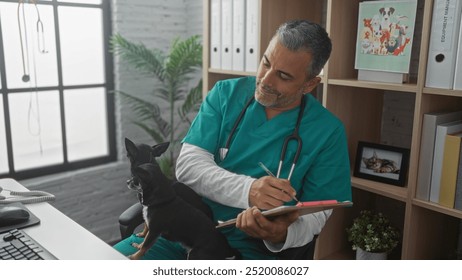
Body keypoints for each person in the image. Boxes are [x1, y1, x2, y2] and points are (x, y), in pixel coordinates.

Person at [114, 19, 352, 260]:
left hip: (247, 251)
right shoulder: (225, 94)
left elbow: (317, 213)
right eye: (266, 63)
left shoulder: (328, 132)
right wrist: (249, 190)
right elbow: (188, 166)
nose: (266, 80)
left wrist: (280, 234)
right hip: (177, 231)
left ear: (310, 84)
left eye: (283, 76)